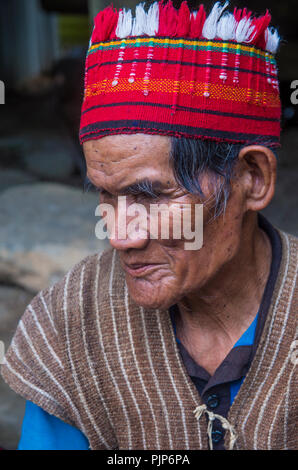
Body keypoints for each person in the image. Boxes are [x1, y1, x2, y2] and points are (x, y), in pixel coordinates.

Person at [1, 0, 297, 450]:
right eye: (105, 194)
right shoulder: (70, 323)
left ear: (252, 178)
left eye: (152, 195)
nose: (119, 235)